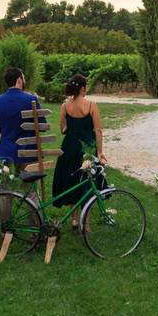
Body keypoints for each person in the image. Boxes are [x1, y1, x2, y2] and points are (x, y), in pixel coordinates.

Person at [53, 75, 106, 221]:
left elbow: (63, 129)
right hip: (86, 147)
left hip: (69, 146)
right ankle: (86, 223)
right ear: (82, 88)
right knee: (87, 182)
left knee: (72, 180)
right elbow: (98, 130)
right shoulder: (91, 105)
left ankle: (75, 219)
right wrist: (100, 152)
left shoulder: (65, 106)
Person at [0, 67, 39, 165]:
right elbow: (41, 126)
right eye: (23, 78)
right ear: (19, 80)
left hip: (6, 153)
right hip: (29, 153)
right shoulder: (31, 99)